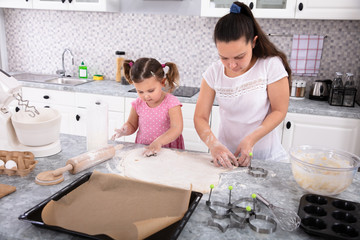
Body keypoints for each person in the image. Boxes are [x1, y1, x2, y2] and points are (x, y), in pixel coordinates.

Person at [194, 2, 291, 168]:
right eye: (224, 57)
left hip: (265, 160)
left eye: (239, 57)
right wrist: (213, 145)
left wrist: (250, 139)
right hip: (227, 160)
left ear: (253, 42)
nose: (232, 65)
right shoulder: (213, 72)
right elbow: (200, 117)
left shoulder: (270, 65)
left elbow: (279, 110)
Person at [111, 58, 185, 156]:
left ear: (162, 82)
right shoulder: (138, 103)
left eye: (150, 91)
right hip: (143, 147)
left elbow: (176, 128)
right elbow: (132, 124)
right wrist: (125, 130)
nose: (145, 96)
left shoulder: (171, 103)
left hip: (167, 150)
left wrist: (159, 142)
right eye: (140, 91)